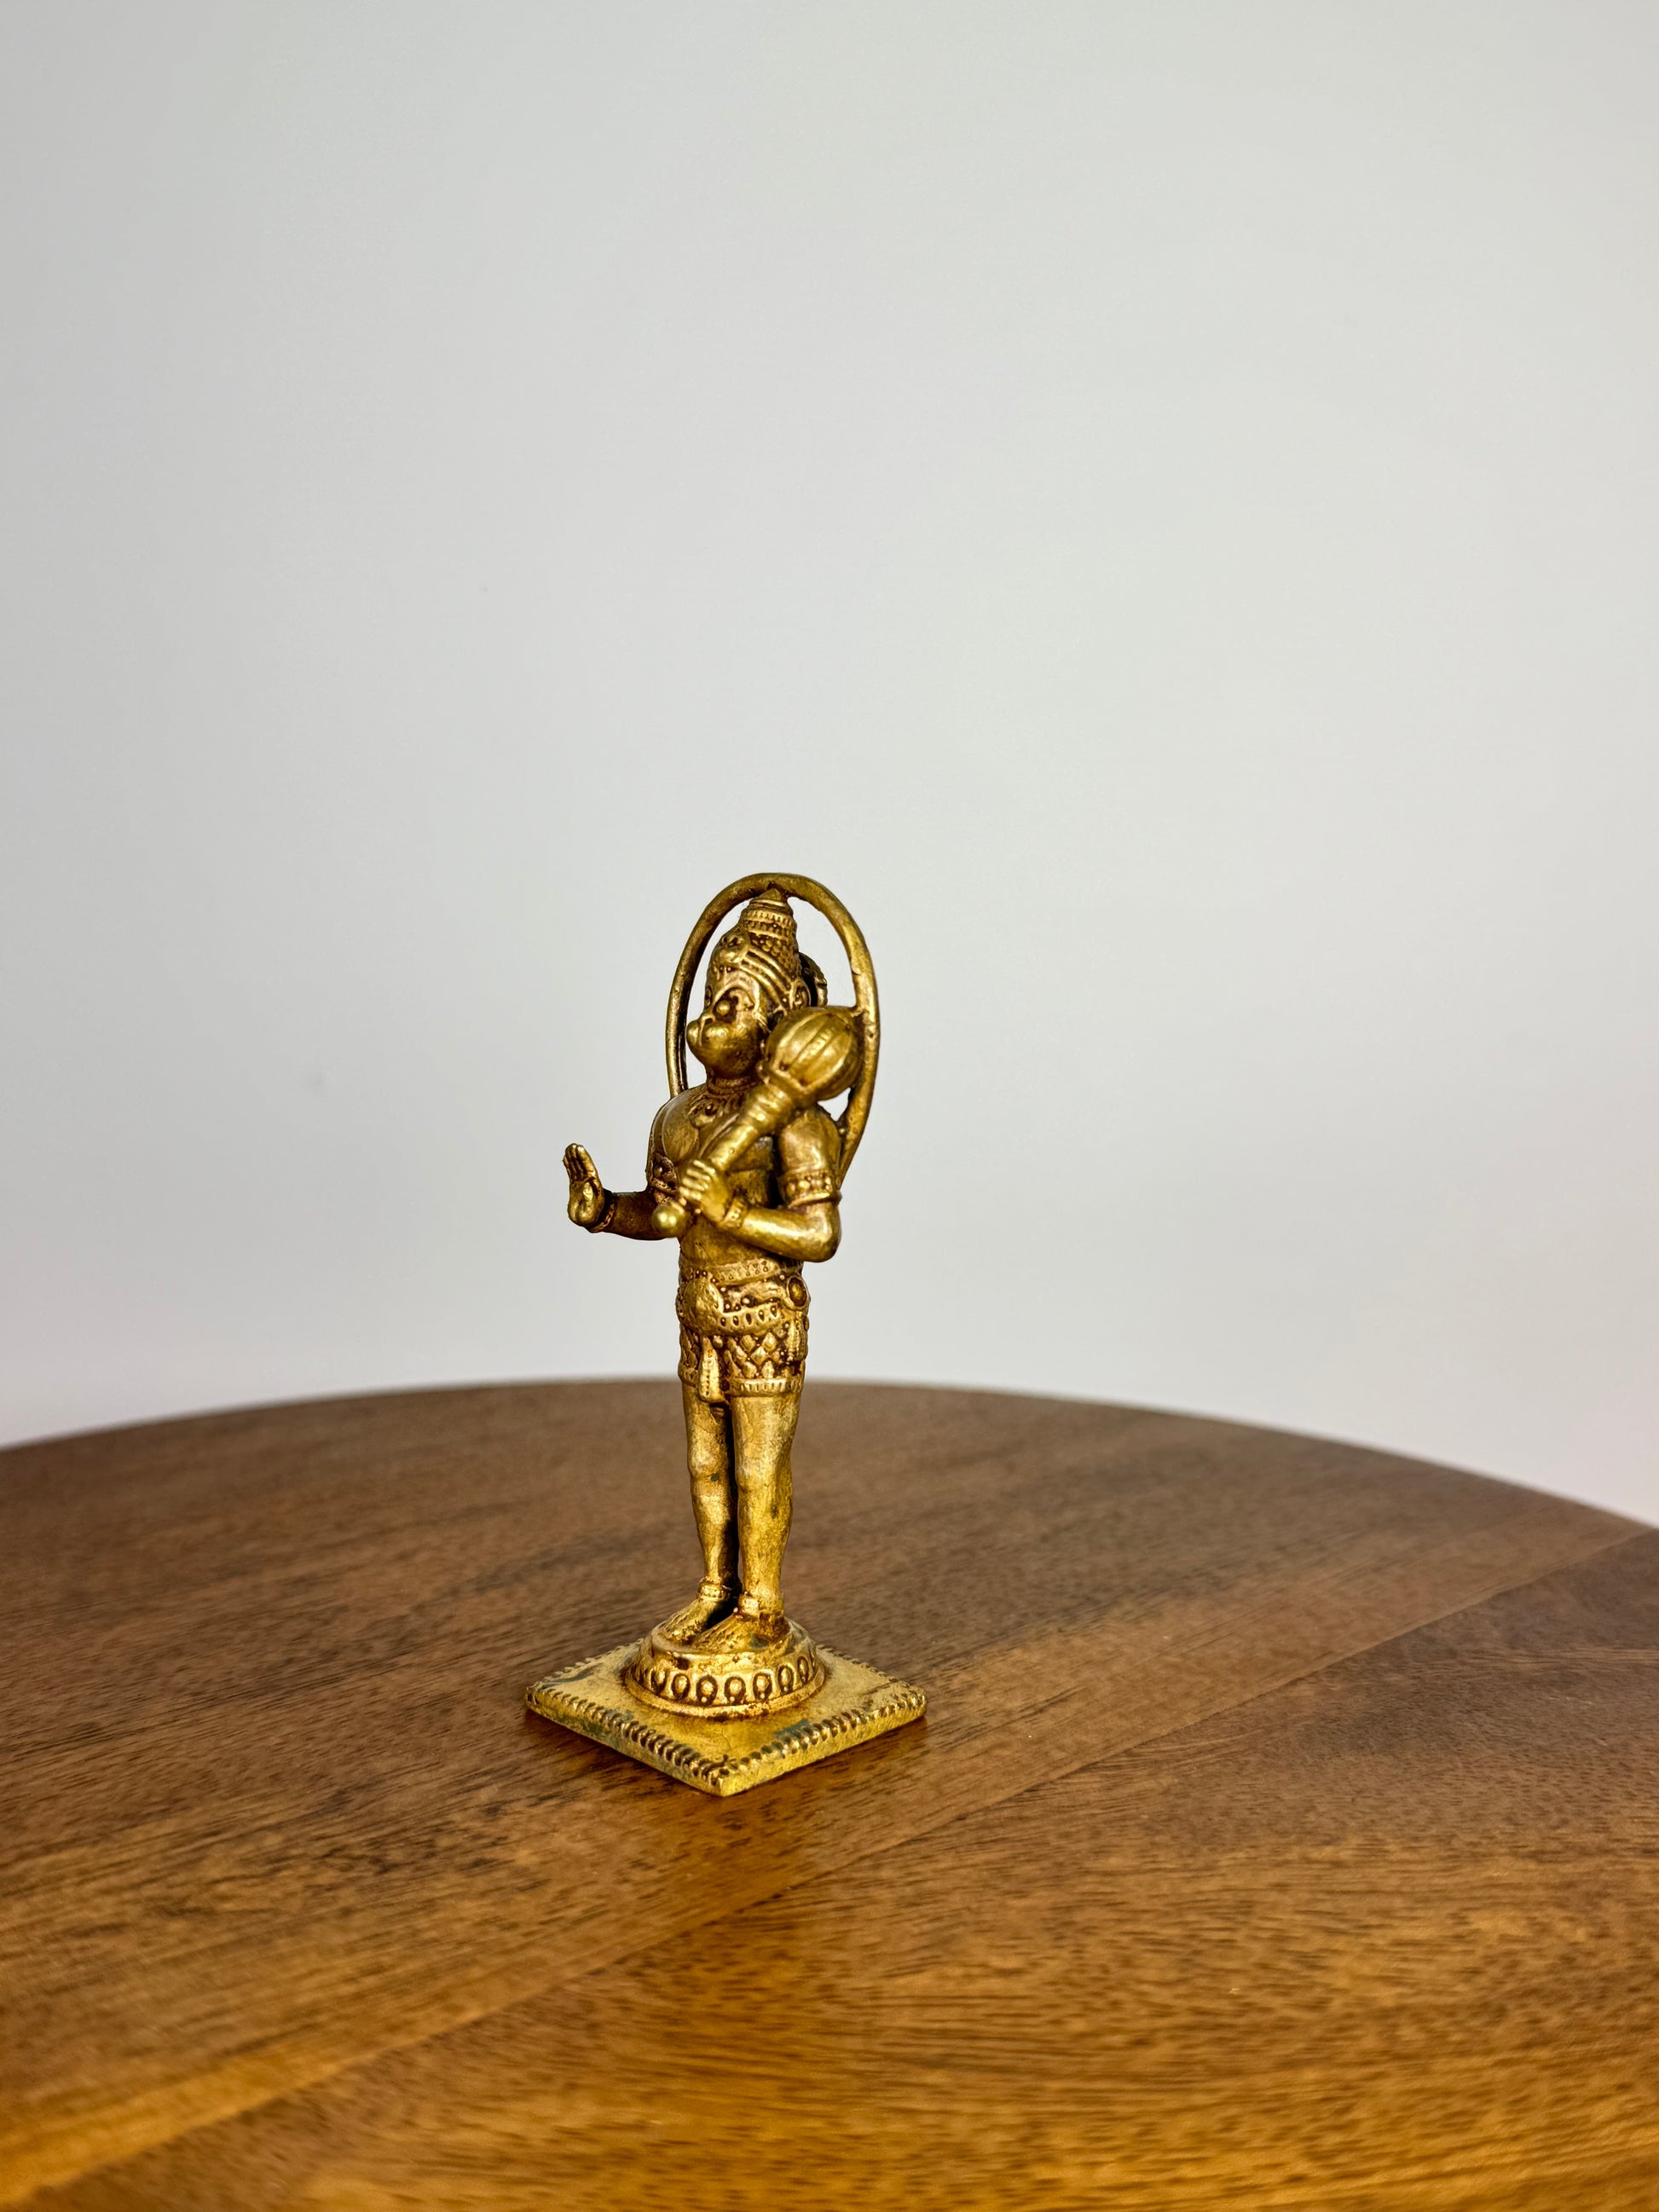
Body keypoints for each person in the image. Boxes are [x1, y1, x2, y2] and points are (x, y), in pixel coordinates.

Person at [562, 886, 841, 1665]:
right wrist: (607, 1210)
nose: (712, 1015)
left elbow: (819, 1233)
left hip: (763, 1313)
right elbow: (666, 1216)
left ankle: (762, 1605)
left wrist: (733, 1210)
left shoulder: (797, 1122)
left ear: (780, 1026)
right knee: (705, 1464)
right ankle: (716, 1586)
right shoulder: (676, 1117)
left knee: (758, 1467)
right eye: (711, 994)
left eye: (734, 1002)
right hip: (698, 1311)